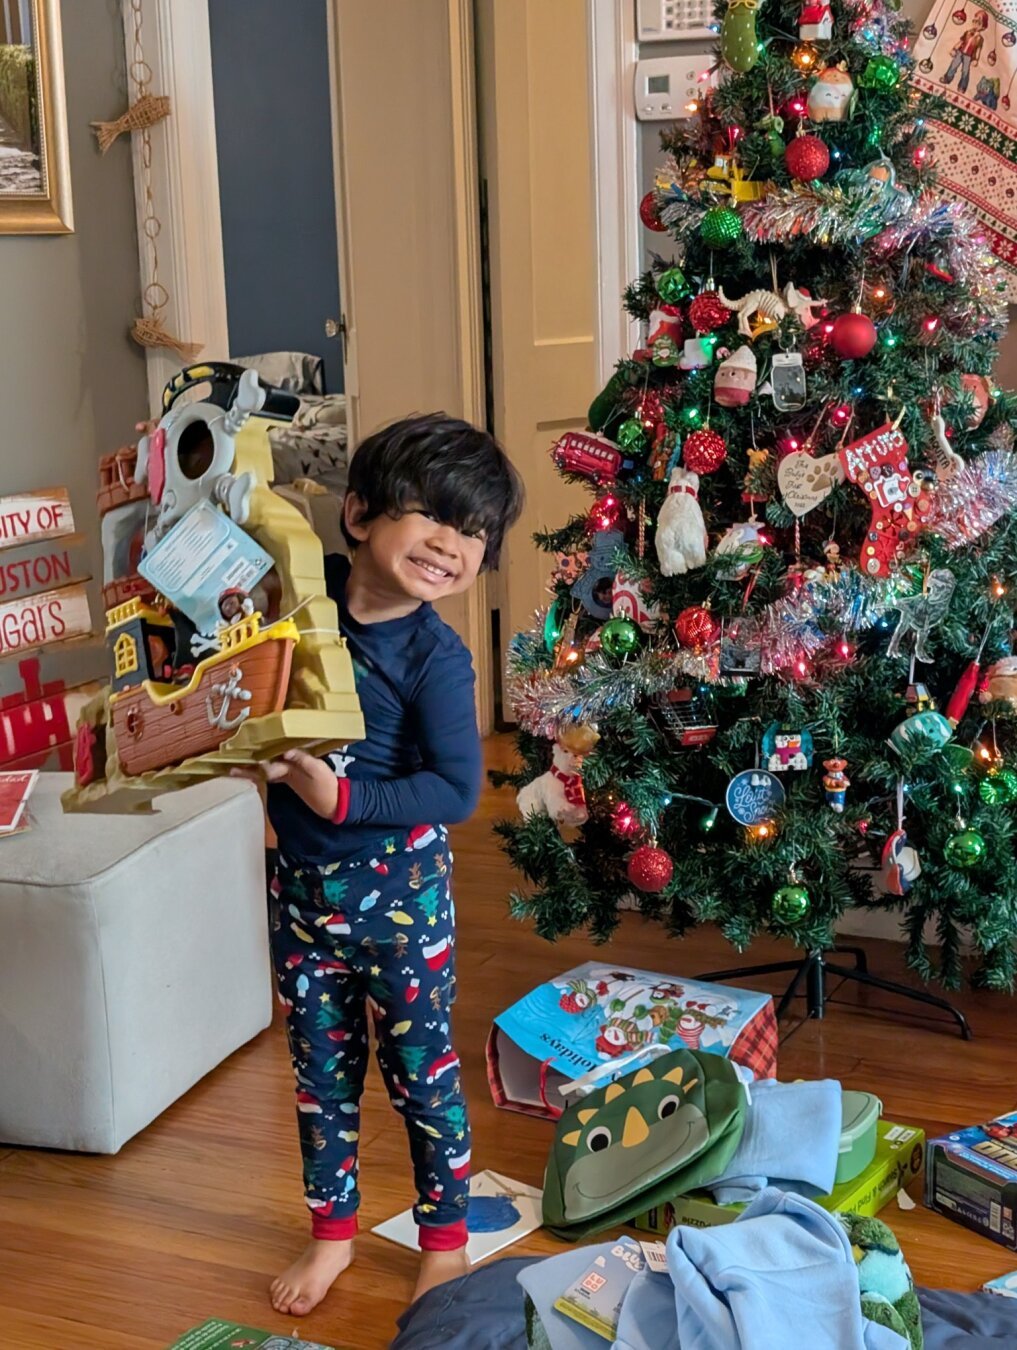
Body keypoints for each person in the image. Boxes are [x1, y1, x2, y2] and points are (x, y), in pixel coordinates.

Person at [241, 413, 523, 1317]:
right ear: (357, 514)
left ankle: (444, 1238)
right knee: (320, 1075)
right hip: (301, 895)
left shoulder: (435, 659)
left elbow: (455, 791)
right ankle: (331, 1233)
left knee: (420, 1071)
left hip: (397, 898)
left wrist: (343, 802)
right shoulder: (302, 598)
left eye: (473, 532)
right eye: (429, 516)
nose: (450, 544)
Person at [942, 12, 988, 97]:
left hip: (969, 56)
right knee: (953, 65)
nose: (975, 25)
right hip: (960, 52)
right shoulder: (967, 33)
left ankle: (962, 86)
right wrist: (954, 49)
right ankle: (947, 78)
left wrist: (976, 60)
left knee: (965, 71)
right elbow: (961, 41)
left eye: (978, 23)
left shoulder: (979, 39)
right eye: (974, 22)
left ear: (983, 27)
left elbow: (978, 50)